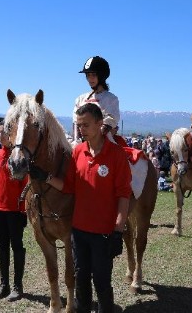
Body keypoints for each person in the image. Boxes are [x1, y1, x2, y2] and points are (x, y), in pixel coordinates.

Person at [41, 103, 131, 313]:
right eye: (79, 125)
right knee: (81, 281)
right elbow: (69, 187)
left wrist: (118, 230)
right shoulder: (78, 152)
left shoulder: (116, 155)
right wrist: (45, 177)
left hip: (104, 233)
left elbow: (123, 196)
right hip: (79, 232)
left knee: (101, 282)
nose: (81, 130)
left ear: (100, 124)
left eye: (86, 125)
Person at [0, 125, 29, 301]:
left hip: (15, 210)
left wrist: (24, 209)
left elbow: (26, 183)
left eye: (1, 132)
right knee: (2, 246)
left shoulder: (18, 156)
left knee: (17, 246)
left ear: (11, 134)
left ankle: (18, 286)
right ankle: (4, 284)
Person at [73, 56, 124, 146]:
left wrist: (94, 138)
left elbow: (111, 120)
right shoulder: (80, 99)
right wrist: (77, 142)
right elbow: (76, 122)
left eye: (93, 75)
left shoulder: (111, 99)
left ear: (101, 76)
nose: (90, 78)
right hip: (81, 141)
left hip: (104, 141)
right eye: (88, 75)